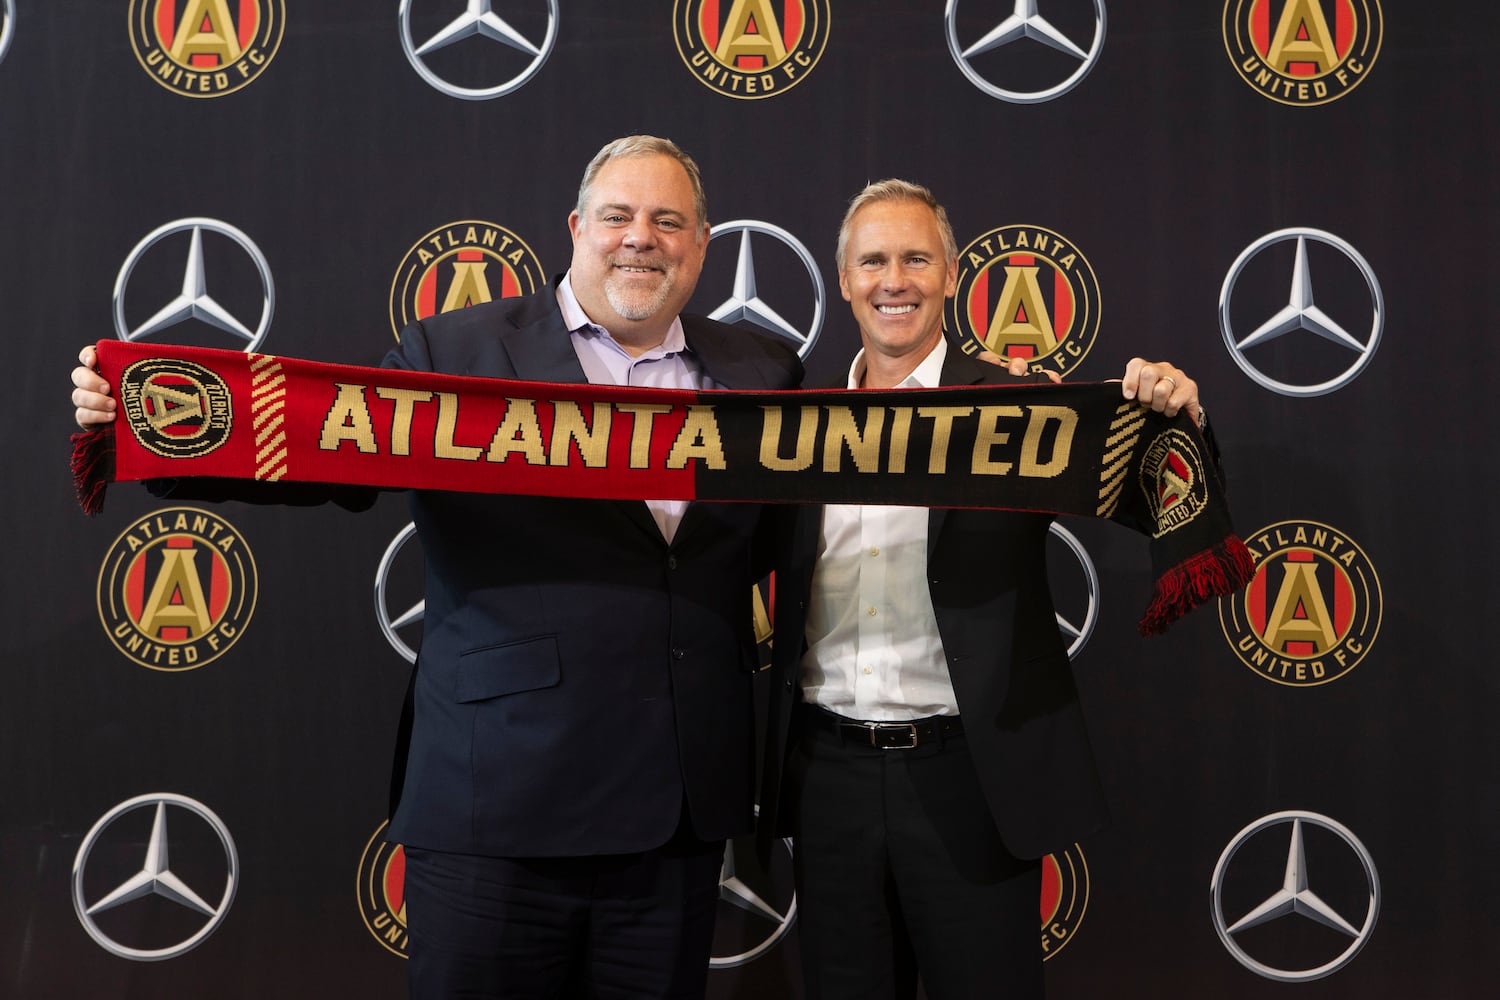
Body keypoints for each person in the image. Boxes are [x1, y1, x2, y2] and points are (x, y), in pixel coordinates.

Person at [72, 136, 803, 999]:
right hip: (496, 808)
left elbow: (794, 541)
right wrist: (161, 424)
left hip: (677, 824)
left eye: (667, 220)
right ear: (576, 228)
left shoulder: (765, 373)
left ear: (702, 244)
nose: (640, 237)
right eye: (618, 216)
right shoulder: (455, 352)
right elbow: (321, 451)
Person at [757, 180, 1208, 999]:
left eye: (916, 258)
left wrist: (1175, 413)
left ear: (954, 273)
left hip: (970, 780)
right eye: (874, 261)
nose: (895, 279)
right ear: (845, 278)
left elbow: (1153, 477)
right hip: (827, 781)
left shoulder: (1016, 404)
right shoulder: (799, 424)